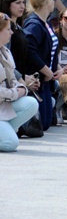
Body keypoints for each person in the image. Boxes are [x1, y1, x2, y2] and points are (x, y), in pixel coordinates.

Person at [23, 0, 62, 131]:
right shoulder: (34, 25)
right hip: (38, 78)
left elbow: (50, 49)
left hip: (47, 78)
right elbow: (30, 52)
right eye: (53, 0)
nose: (54, 3)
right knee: (43, 124)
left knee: (46, 122)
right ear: (47, 2)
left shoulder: (46, 23)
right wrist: (46, 70)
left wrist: (57, 67)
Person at [0, 13, 39, 152]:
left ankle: (5, 130)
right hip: (4, 99)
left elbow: (13, 79)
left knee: (32, 103)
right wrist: (15, 93)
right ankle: (6, 134)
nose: (11, 32)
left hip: (4, 103)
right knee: (11, 144)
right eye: (8, 29)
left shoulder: (5, 52)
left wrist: (22, 88)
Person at [0, 0, 29, 78]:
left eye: (23, 2)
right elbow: (5, 60)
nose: (22, 6)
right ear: (7, 4)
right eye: (18, 3)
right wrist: (21, 80)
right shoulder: (4, 29)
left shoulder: (19, 27)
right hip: (11, 81)